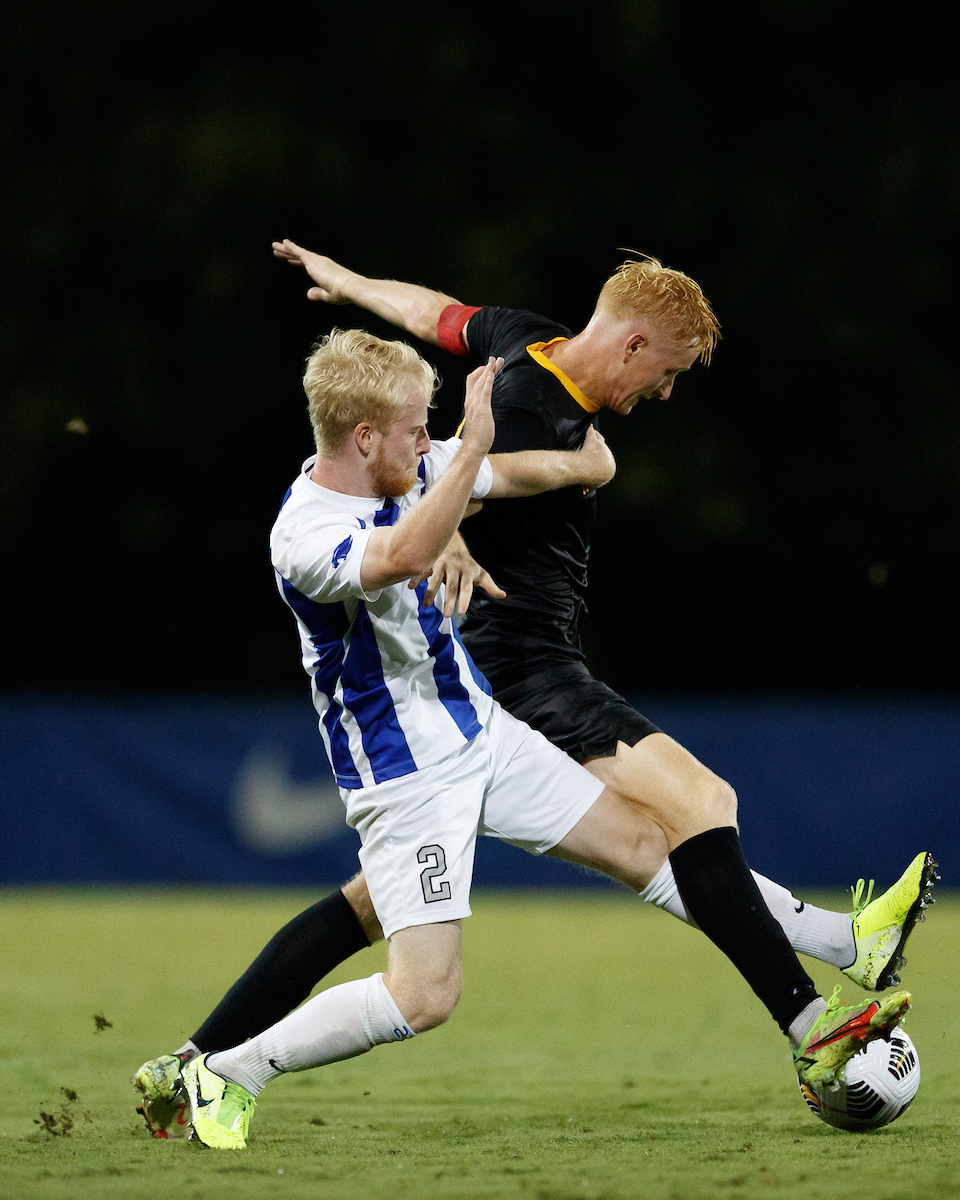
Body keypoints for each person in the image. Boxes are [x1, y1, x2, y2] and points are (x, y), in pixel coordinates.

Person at [134, 247, 933, 1141]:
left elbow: (491, 461)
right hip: (414, 763)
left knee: (638, 839)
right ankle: (228, 1071)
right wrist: (467, 475)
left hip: (479, 726)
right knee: (427, 991)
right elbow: (407, 543)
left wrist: (582, 468)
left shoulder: (427, 448)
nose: (426, 438)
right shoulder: (304, 532)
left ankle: (821, 1003)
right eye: (413, 429)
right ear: (366, 439)